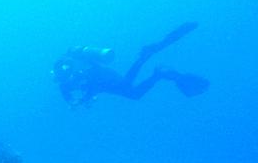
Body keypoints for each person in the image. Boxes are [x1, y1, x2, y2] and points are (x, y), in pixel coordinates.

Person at [53, 22, 209, 107]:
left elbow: (87, 82)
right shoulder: (65, 84)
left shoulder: (69, 72)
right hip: (103, 83)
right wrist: (84, 99)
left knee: (127, 84)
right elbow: (77, 97)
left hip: (102, 76)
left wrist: (84, 97)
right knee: (134, 94)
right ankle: (159, 73)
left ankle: (145, 57)